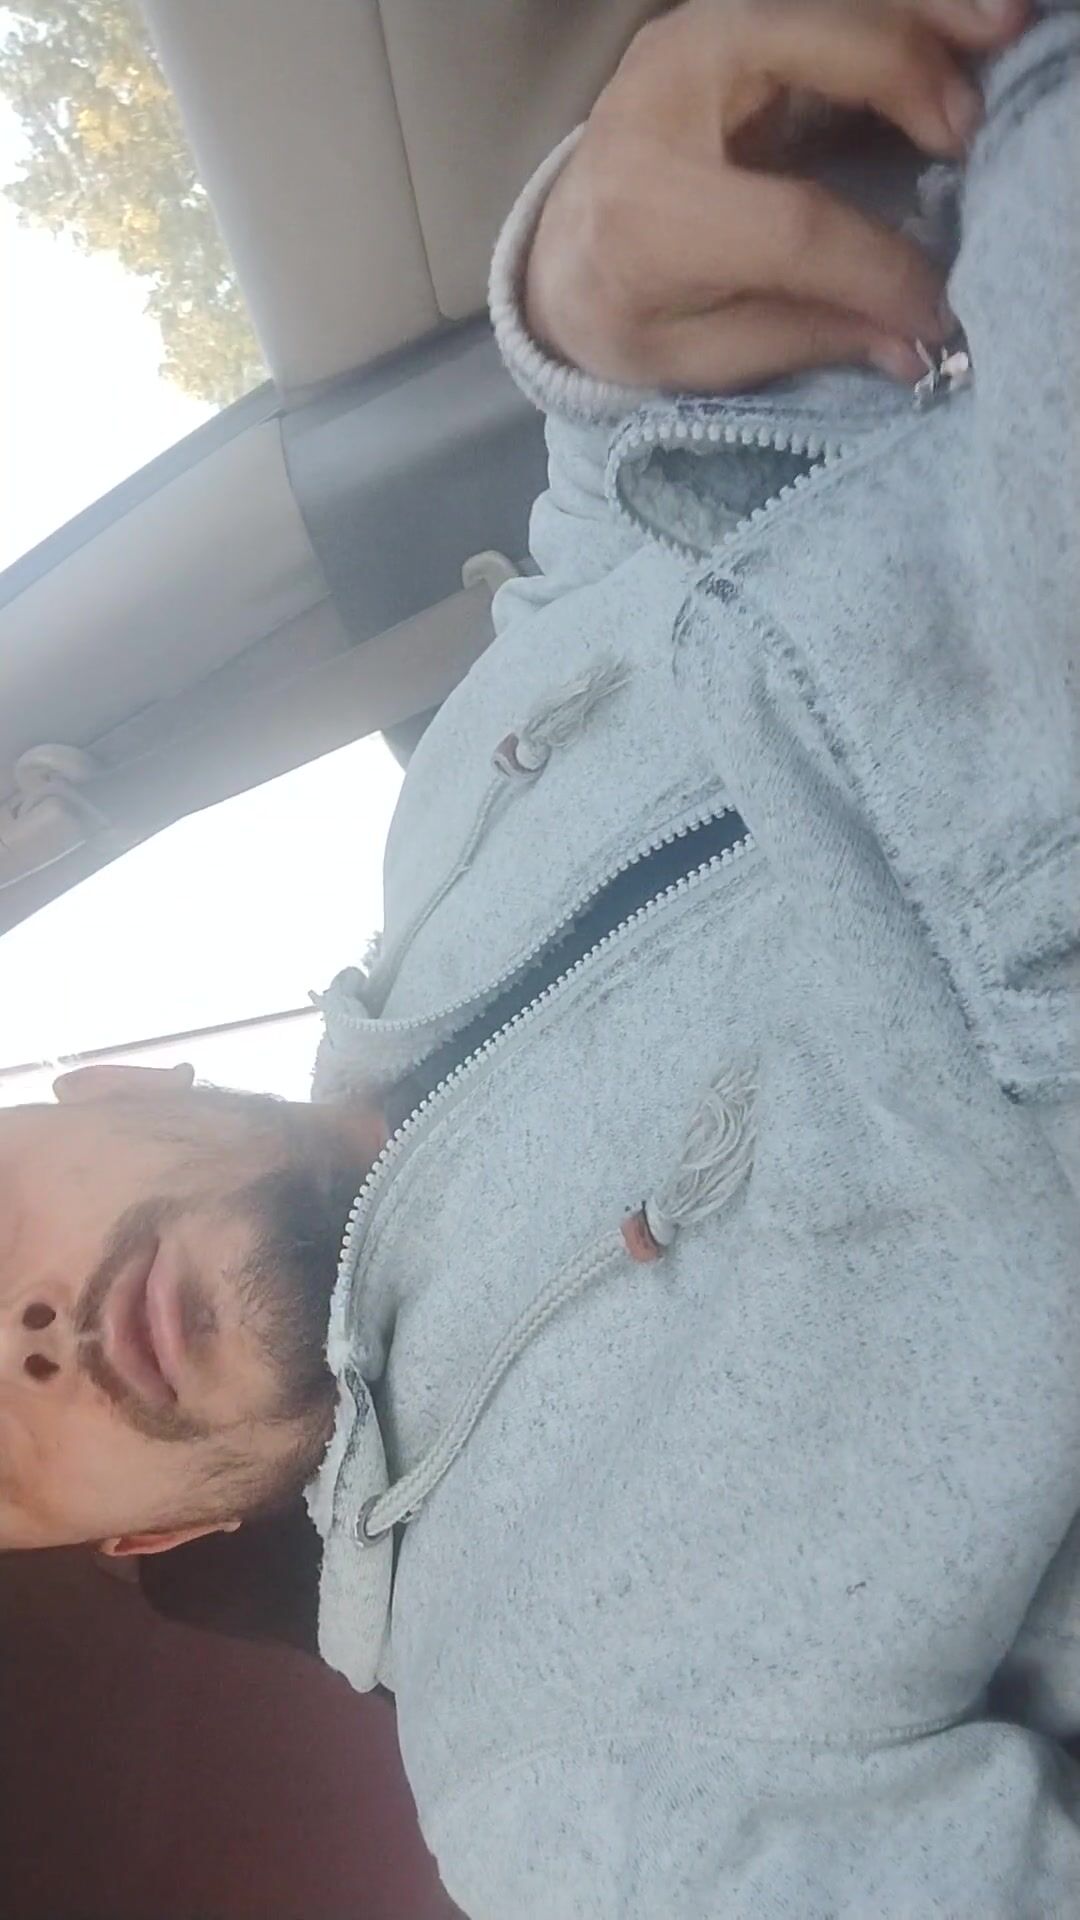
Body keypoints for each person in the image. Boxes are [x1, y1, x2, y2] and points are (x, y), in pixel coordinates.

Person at [2, 0, 1078, 1910]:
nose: (25, 1345)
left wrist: (578, 295)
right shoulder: (561, 1792)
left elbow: (619, 489)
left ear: (110, 1074)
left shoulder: (441, 833)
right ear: (136, 1543)